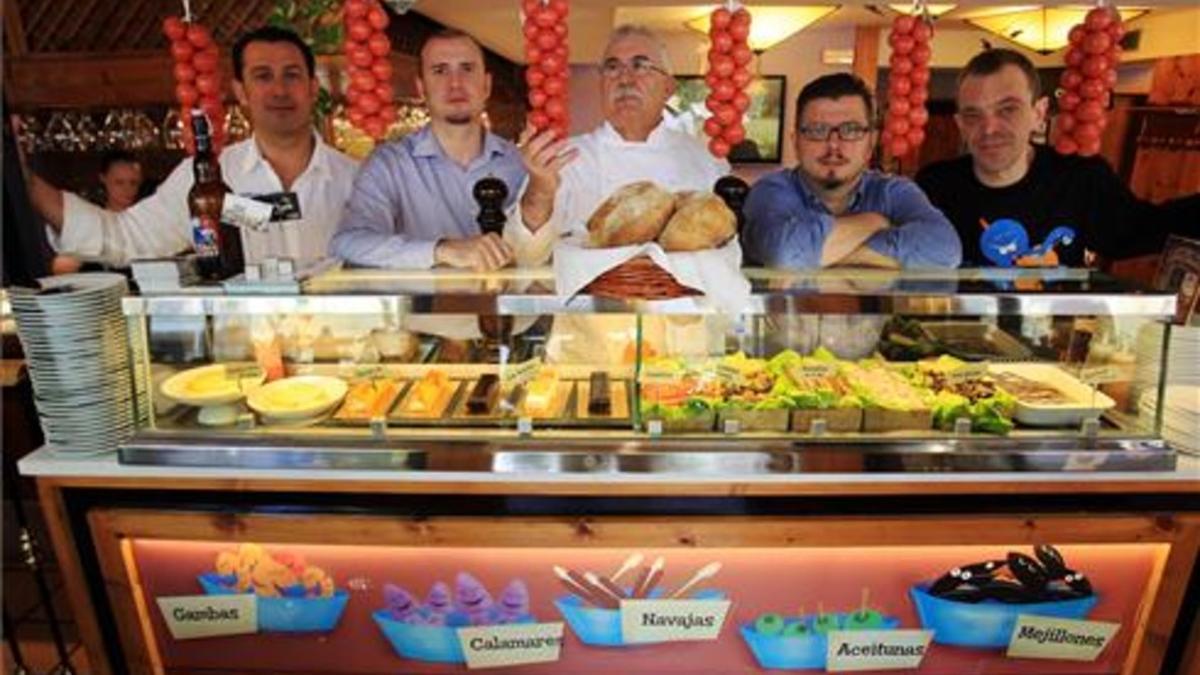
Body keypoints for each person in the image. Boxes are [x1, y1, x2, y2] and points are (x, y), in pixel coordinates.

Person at [27, 26, 359, 269]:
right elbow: (125, 238)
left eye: (292, 75)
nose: (279, 90)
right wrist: (23, 181)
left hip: (347, 353)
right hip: (245, 356)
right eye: (262, 76)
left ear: (313, 88)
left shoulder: (359, 179)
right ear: (240, 91)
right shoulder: (206, 178)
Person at [916, 48, 1200, 267]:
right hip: (952, 341)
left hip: (1054, 340)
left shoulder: (1081, 179)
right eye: (973, 115)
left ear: (1039, 114)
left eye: (1008, 110)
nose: (989, 129)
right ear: (960, 123)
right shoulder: (935, 185)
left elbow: (1143, 230)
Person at [505, 24, 729, 266]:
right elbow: (523, 255)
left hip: (685, 302)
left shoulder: (706, 160)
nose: (624, 79)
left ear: (668, 88)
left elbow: (729, 249)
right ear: (601, 85)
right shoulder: (562, 157)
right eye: (612, 67)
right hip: (590, 302)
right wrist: (541, 190)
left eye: (640, 65)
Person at [329, 29, 526, 271]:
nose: (455, 83)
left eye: (467, 68)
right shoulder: (390, 164)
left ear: (486, 85)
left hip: (510, 305)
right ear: (421, 89)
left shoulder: (521, 165)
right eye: (440, 71)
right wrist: (441, 250)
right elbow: (348, 243)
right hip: (423, 308)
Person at [743, 73, 961, 269]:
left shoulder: (894, 191)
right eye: (818, 130)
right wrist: (873, 222)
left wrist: (827, 253)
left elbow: (945, 251)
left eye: (851, 130)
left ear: (871, 142)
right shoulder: (772, 190)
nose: (834, 145)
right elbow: (785, 255)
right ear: (796, 142)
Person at [48, 150, 146, 274]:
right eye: (119, 182)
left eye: (133, 183)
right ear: (103, 179)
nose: (128, 189)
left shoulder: (146, 222)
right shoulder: (91, 221)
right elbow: (62, 268)